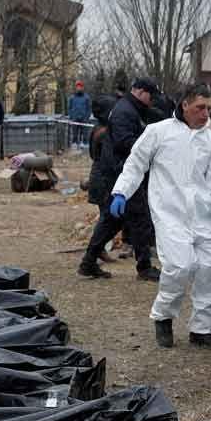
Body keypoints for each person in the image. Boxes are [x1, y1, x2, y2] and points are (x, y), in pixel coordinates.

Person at [109, 83, 211, 350]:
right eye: (200, 108)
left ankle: (201, 329)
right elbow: (135, 164)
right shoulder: (159, 132)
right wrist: (121, 191)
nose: (205, 114)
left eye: (209, 108)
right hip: (170, 213)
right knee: (179, 266)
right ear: (185, 105)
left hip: (205, 216)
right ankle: (164, 317)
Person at [77, 77, 161, 281]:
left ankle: (88, 262)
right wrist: (150, 148)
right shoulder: (125, 111)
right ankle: (144, 267)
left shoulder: (128, 109)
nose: (152, 101)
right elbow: (124, 143)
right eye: (151, 96)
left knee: (112, 220)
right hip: (122, 173)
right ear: (141, 92)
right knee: (139, 219)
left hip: (119, 172)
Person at [67, 80, 92, 147]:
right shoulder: (72, 97)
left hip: (84, 119)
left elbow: (89, 108)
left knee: (85, 133)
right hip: (75, 119)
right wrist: (71, 116)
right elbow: (69, 108)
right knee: (74, 133)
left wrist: (87, 117)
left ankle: (84, 144)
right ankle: (74, 144)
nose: (79, 88)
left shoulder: (87, 97)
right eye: (77, 87)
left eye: (80, 86)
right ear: (76, 88)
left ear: (83, 88)